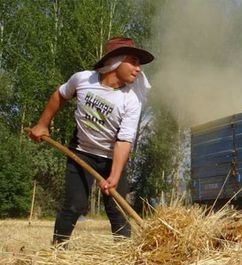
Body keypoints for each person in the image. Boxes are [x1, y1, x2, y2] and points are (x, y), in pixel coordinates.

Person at [28, 37, 154, 244]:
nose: (138, 69)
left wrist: (114, 176)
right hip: (81, 153)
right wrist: (42, 124)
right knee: (74, 204)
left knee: (117, 209)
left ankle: (124, 259)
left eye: (139, 63)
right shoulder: (83, 80)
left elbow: (124, 140)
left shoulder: (131, 99)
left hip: (113, 159)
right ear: (115, 61)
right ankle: (58, 251)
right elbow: (60, 96)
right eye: (133, 61)